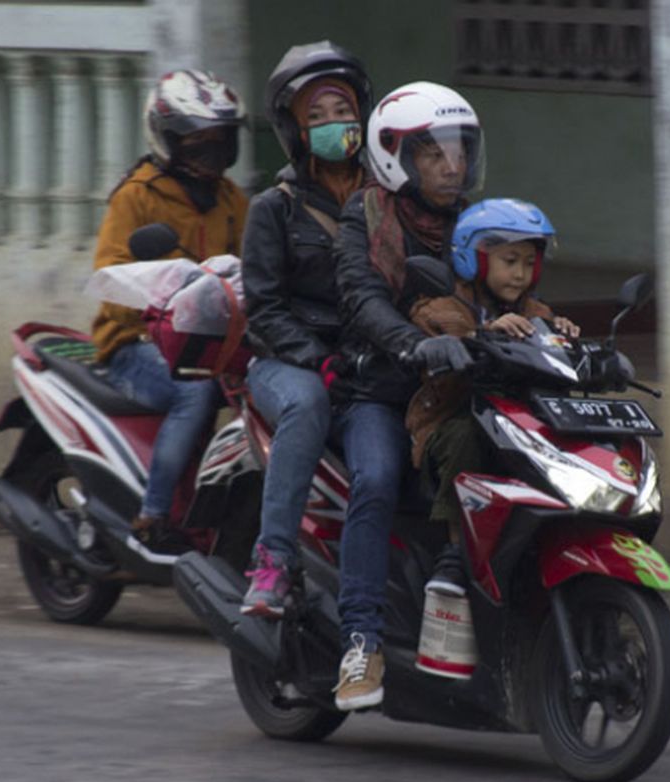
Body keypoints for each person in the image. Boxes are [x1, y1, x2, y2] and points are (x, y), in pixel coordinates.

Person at [331, 81, 484, 711]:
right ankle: (360, 642)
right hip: (379, 389)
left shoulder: (473, 221)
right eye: (433, 152)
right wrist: (414, 344)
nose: (453, 165)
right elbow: (361, 299)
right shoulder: (364, 217)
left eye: (460, 150)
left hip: (454, 391)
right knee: (376, 479)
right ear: (396, 155)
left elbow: (510, 283)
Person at [237, 42, 372, 617]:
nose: (333, 124)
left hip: (367, 357)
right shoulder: (275, 208)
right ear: (295, 129)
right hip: (287, 361)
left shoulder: (387, 199)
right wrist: (316, 357)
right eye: (316, 116)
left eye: (342, 111)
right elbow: (264, 310)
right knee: (308, 403)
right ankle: (273, 559)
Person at [91, 70, 248, 544]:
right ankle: (154, 514)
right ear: (168, 140)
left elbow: (255, 266)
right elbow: (110, 278)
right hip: (135, 344)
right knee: (195, 393)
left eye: (219, 140)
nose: (210, 151)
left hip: (213, 346)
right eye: (197, 141)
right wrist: (163, 310)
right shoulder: (136, 196)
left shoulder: (231, 200)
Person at [405, 198, 579, 596]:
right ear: (474, 259)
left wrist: (564, 336)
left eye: (529, 263)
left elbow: (553, 351)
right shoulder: (442, 307)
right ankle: (454, 551)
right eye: (510, 261)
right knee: (467, 436)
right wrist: (483, 335)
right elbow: (446, 338)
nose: (520, 274)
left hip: (517, 425)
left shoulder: (535, 311)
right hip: (449, 422)